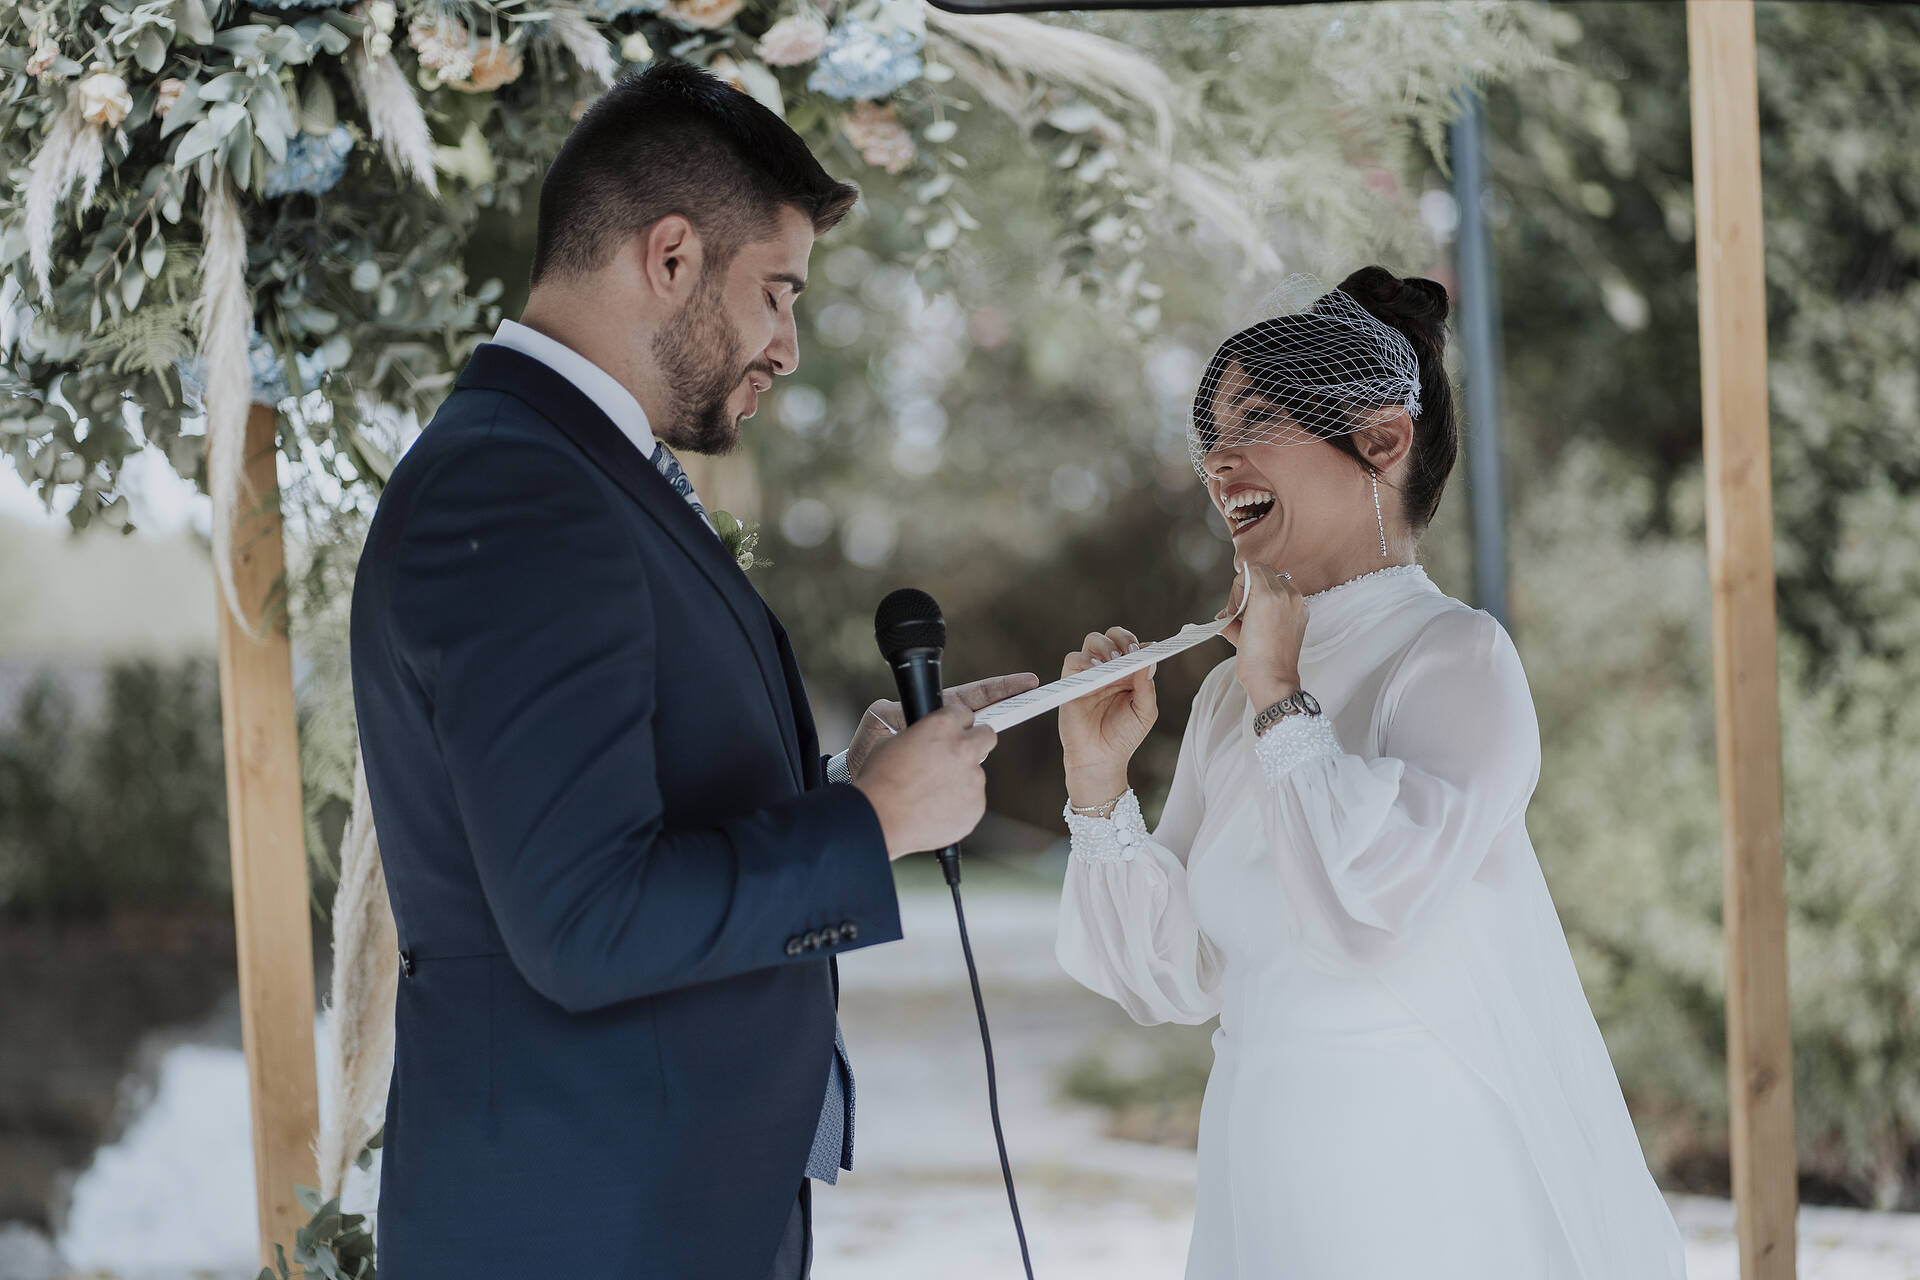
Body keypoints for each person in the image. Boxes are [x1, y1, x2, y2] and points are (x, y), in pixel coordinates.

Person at [349, 62, 1034, 1279]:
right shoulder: (522, 491)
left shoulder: (569, 471)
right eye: (776, 293)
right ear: (670, 258)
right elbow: (582, 919)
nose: (788, 344)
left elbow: (617, 807)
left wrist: (850, 782)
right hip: (585, 1232)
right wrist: (867, 827)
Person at [1052, 267, 1687, 1278]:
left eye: (1256, 421)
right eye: (1212, 432)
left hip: (1416, 1165)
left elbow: (1363, 913)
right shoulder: (1225, 699)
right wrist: (1098, 783)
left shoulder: (1455, 656)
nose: (1220, 461)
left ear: (1384, 440)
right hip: (1260, 1160)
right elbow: (1168, 976)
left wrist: (1277, 687)